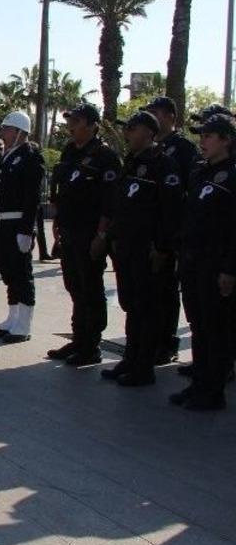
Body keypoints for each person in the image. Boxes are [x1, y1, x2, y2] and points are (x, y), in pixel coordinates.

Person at [99, 110, 182, 387]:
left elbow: (170, 211)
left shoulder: (164, 164)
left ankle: (144, 366)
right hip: (127, 247)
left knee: (147, 308)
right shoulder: (132, 161)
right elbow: (121, 204)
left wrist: (162, 247)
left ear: (148, 132)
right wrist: (112, 235)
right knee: (132, 306)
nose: (127, 133)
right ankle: (130, 358)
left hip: (148, 249)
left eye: (132, 128)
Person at [47, 102, 121, 366]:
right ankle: (78, 339)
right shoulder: (70, 151)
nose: (71, 126)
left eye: (76, 122)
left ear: (92, 126)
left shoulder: (105, 157)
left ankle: (91, 345)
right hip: (69, 229)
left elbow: (110, 202)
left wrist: (101, 236)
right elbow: (63, 190)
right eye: (70, 121)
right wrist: (57, 222)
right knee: (74, 286)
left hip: (89, 232)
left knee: (90, 288)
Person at [171, 111, 236, 411]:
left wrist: (229, 269)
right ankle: (199, 383)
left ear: (226, 140)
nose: (202, 141)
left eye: (208, 136)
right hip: (192, 261)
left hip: (216, 263)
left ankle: (213, 392)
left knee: (216, 329)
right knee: (198, 326)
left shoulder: (232, 175)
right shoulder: (200, 172)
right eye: (201, 136)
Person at [145, 95, 201, 366]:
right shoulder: (150, 148)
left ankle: (166, 344)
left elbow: (189, 191)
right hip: (148, 228)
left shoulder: (183, 149)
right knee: (149, 292)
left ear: (170, 116)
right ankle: (150, 341)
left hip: (169, 232)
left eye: (156, 112)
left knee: (166, 290)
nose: (152, 117)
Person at [0, 112, 45, 343]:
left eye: (7, 129)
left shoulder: (30, 156)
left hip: (18, 223)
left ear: (20, 132)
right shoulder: (9, 155)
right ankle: (13, 317)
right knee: (8, 271)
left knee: (22, 273)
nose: (3, 133)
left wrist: (27, 230)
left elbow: (32, 197)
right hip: (3, 222)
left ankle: (24, 323)